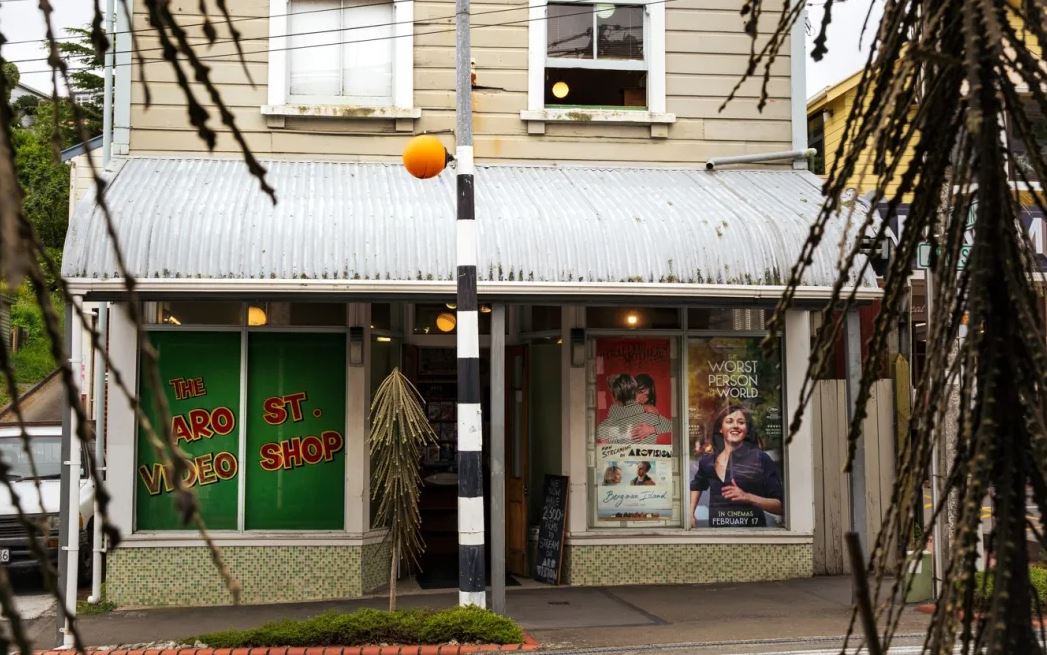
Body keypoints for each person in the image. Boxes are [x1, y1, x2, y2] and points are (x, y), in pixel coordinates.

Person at [688, 404, 783, 528]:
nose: (735, 426)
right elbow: (697, 485)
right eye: (729, 421)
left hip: (753, 537)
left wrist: (747, 497)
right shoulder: (708, 460)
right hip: (717, 536)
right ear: (720, 428)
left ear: (747, 429)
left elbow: (781, 506)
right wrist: (690, 513)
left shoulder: (760, 459)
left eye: (741, 422)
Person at [595, 374, 672, 444]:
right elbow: (602, 432)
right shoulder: (616, 409)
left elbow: (671, 425)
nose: (643, 398)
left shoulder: (650, 414)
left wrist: (651, 430)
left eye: (647, 395)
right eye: (640, 392)